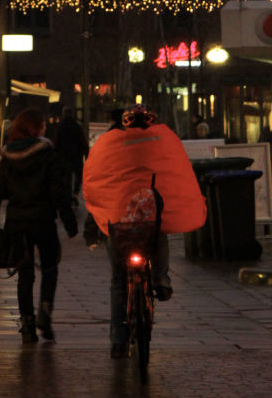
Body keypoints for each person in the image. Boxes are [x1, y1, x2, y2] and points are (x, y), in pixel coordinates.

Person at [83, 105, 207, 358]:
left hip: (117, 222)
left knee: (119, 280)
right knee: (159, 230)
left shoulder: (109, 144)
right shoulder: (165, 139)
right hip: (150, 220)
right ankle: (161, 278)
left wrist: (92, 225)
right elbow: (178, 176)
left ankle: (118, 341)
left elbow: (97, 182)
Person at [0, 107, 78, 344]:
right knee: (50, 266)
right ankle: (45, 310)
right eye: (42, 126)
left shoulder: (7, 155)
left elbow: (1, 190)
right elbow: (59, 192)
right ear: (36, 129)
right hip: (43, 221)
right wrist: (70, 222)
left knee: (25, 273)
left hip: (17, 223)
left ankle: (27, 323)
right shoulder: (48, 154)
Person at [53, 106, 88, 203]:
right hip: (76, 155)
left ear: (63, 114)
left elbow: (56, 143)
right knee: (78, 175)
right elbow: (83, 141)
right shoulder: (77, 126)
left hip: (64, 156)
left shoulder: (60, 126)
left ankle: (68, 196)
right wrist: (86, 154)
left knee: (67, 177)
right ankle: (75, 194)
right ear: (72, 114)